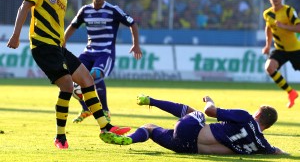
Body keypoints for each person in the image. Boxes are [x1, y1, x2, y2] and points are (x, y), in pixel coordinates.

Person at [6, 0, 130, 149]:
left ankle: (105, 128)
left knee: (87, 79)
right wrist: (15, 34)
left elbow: (57, 23)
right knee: (67, 86)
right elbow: (25, 7)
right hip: (42, 46)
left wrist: (62, 41)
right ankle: (61, 138)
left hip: (57, 46)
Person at [99, 94, 287, 155]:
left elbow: (210, 112)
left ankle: (151, 102)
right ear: (267, 126)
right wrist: (284, 153)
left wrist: (210, 100)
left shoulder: (246, 117)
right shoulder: (263, 146)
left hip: (190, 132)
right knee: (150, 128)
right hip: (188, 149)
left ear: (258, 114)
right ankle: (128, 139)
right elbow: (278, 152)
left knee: (196, 113)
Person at [64, 0, 142, 123]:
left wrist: (136, 44)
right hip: (88, 52)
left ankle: (105, 110)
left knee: (94, 75)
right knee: (70, 77)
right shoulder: (85, 10)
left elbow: (132, 23)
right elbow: (73, 26)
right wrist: (61, 43)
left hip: (105, 53)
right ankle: (86, 109)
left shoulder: (113, 10)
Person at [262, 0, 299, 108]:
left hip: (295, 49)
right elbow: (268, 28)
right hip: (280, 49)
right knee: (269, 67)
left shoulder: (289, 11)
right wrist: (267, 45)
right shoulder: (267, 14)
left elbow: (299, 27)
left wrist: (284, 26)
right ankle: (291, 93)